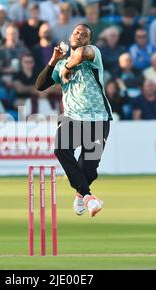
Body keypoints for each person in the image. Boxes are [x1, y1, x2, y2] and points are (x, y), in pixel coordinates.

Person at [35, 24, 112, 217]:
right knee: (61, 149)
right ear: (70, 36)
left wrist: (67, 67)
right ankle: (87, 197)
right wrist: (54, 61)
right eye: (76, 32)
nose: (80, 35)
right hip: (72, 117)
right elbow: (40, 85)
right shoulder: (61, 63)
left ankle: (81, 194)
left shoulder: (93, 54)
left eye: (84, 34)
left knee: (89, 168)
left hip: (98, 117)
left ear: (89, 41)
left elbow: (79, 55)